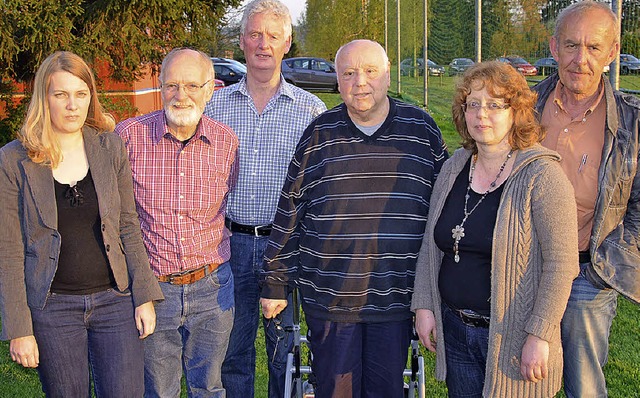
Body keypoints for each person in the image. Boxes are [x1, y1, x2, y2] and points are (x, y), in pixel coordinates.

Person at [260, 39, 448, 398]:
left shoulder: (421, 130)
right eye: (348, 73)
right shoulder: (319, 133)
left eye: (369, 71)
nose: (359, 81)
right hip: (330, 299)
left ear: (388, 75)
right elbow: (291, 208)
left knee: (386, 391)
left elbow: (445, 204)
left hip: (395, 297)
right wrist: (275, 281)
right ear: (337, 79)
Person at [411, 61, 579, 397]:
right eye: (473, 104)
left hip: (513, 338)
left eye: (494, 105)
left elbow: (562, 265)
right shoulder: (453, 168)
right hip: (456, 328)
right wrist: (425, 304)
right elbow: (431, 246)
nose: (481, 115)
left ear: (516, 112)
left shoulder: (542, 177)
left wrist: (540, 334)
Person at [0, 51, 163, 397]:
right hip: (52, 307)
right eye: (60, 95)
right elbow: (9, 250)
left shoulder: (110, 146)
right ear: (44, 100)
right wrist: (19, 328)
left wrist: (144, 296)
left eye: (81, 94)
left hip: (114, 301)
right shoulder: (14, 160)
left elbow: (129, 227)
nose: (73, 105)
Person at [204, 1, 326, 396]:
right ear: (241, 41)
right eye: (255, 34)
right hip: (228, 243)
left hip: (286, 245)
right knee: (232, 351)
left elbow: (319, 187)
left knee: (285, 352)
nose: (263, 44)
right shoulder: (215, 107)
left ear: (287, 43)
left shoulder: (311, 111)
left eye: (273, 36)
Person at [115, 48, 238, 397]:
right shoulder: (128, 138)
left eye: (191, 85)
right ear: (160, 85)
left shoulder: (226, 142)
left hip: (213, 286)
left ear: (209, 89)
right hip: (155, 290)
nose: (180, 95)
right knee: (158, 389)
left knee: (209, 387)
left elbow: (226, 198)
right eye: (171, 85)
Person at [533, 2, 640, 397]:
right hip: (524, 269)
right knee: (520, 377)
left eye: (594, 48)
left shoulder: (633, 122)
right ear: (554, 47)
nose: (581, 59)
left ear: (613, 53)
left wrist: (604, 263)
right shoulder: (524, 108)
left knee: (584, 386)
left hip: (586, 278)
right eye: (571, 45)